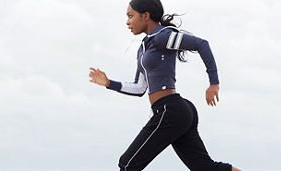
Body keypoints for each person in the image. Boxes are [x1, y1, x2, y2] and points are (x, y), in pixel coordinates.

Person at [89, 0, 241, 170]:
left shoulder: (162, 36)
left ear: (145, 15)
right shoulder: (143, 48)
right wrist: (109, 83)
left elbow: (201, 44)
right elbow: (140, 87)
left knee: (127, 164)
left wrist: (214, 83)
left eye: (131, 16)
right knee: (206, 168)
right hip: (175, 111)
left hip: (170, 110)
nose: (127, 22)